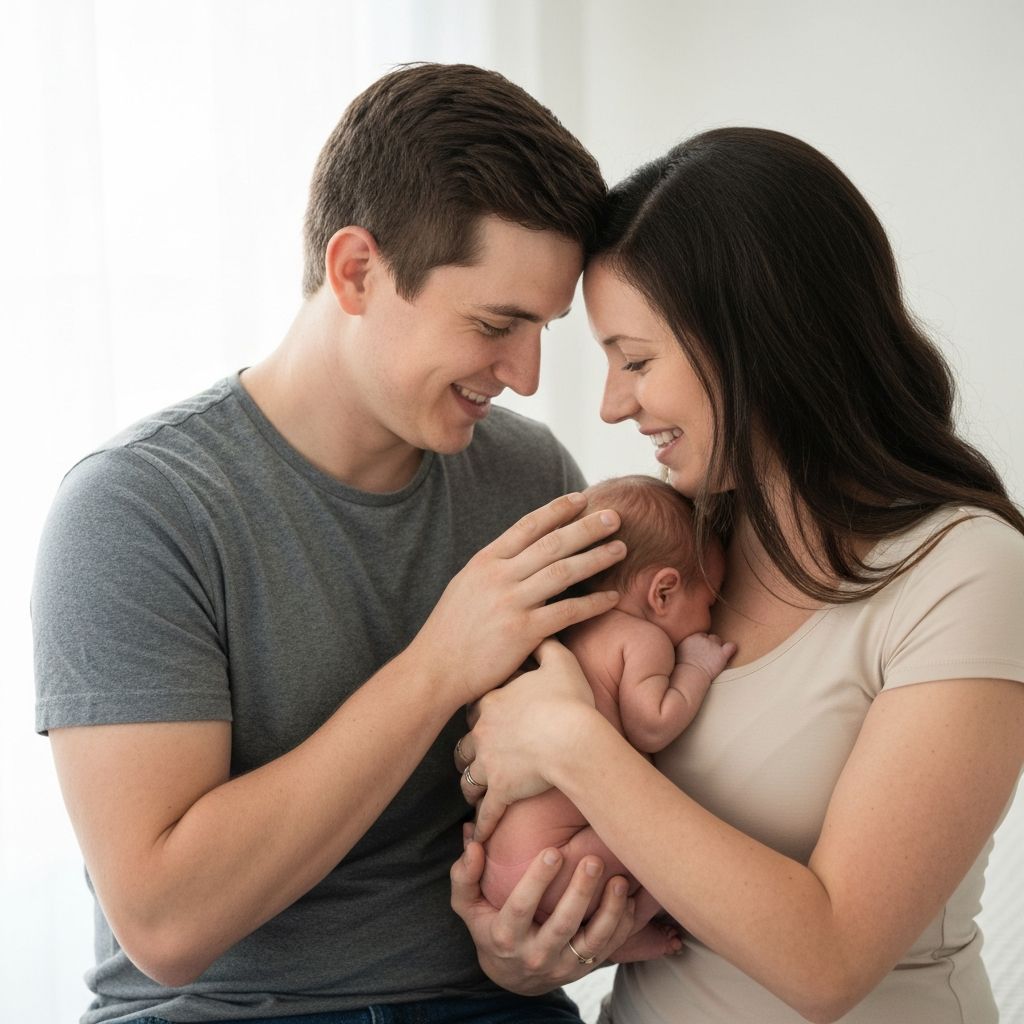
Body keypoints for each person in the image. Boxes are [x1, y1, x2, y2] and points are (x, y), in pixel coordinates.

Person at [30, 63, 663, 1024]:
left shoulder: (532, 482)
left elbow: (598, 777)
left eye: (541, 329)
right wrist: (441, 663)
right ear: (356, 270)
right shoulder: (137, 510)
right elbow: (164, 926)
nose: (527, 376)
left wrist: (535, 950)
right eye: (496, 324)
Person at [452, 127, 1024, 1022]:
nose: (611, 404)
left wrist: (570, 743)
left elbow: (829, 960)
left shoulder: (965, 573)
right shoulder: (678, 559)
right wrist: (528, 954)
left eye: (636, 360)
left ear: (759, 341)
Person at [481, 475, 735, 944]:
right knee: (666, 851)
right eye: (709, 601)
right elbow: (651, 727)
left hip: (502, 864)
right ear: (663, 591)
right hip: (555, 863)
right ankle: (647, 927)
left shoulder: (568, 631)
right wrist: (697, 667)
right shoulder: (642, 639)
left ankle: (624, 937)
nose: (711, 618)